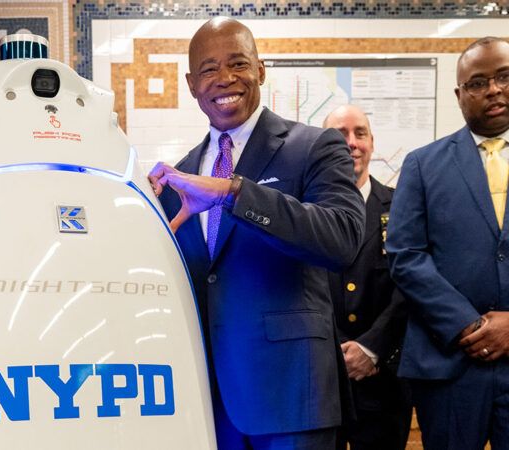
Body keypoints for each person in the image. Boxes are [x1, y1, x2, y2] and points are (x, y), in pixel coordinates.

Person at [148, 17, 365, 449]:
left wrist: (235, 193)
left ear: (261, 70)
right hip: (207, 405)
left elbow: (342, 238)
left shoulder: (314, 147)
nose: (224, 78)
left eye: (238, 64)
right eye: (209, 70)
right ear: (192, 84)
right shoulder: (181, 175)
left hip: (291, 400)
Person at [386, 36, 509, 449]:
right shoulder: (422, 165)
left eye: (504, 77)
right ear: (459, 95)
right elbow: (405, 256)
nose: (493, 89)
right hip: (449, 362)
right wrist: (468, 325)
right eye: (478, 82)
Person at [323, 105, 412, 450]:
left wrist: (371, 347)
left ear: (372, 143)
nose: (351, 143)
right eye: (339, 135)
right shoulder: (303, 213)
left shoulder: (402, 207)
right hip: (323, 389)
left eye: (360, 133)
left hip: (385, 387)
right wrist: (334, 352)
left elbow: (410, 287)